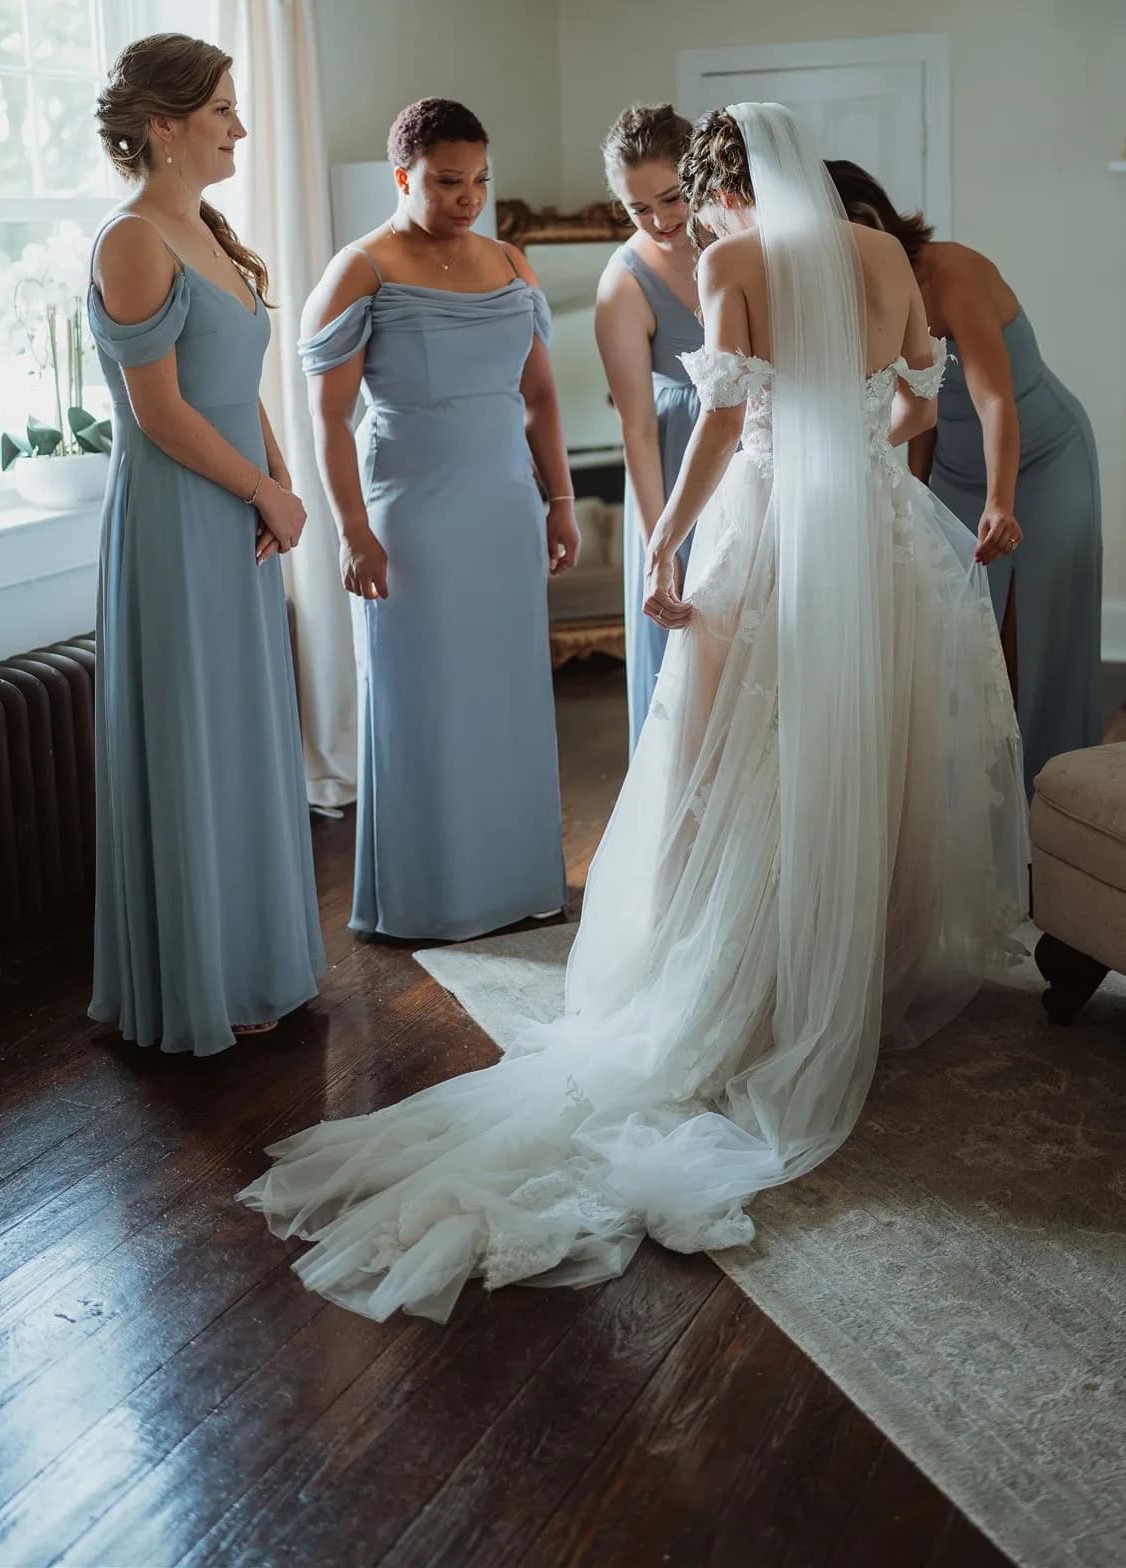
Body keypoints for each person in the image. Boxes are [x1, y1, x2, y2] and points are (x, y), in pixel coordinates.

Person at [240, 102, 1027, 1322]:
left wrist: (662, 537)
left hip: (771, 528)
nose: (684, 223)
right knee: (870, 745)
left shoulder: (732, 260)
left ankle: (754, 981)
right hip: (877, 539)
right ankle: (858, 971)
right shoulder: (878, 252)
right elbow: (922, 405)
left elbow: (718, 418)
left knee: (730, 756)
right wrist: (851, 442)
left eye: (690, 202)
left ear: (718, 191)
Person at [88, 34, 324, 1055]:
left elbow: (241, 385)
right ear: (165, 125)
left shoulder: (207, 229)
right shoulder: (132, 238)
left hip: (233, 506)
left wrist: (279, 485)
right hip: (179, 513)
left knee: (242, 728)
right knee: (199, 734)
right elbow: (160, 414)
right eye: (223, 108)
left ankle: (258, 949)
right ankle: (203, 971)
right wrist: (262, 487)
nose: (239, 125)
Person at [297, 98, 577, 942]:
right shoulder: (362, 270)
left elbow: (539, 397)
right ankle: (431, 894)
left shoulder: (510, 263)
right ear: (403, 177)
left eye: (479, 179)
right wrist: (351, 529)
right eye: (447, 180)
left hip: (502, 509)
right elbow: (327, 420)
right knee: (424, 699)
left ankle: (518, 881)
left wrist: (559, 500)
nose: (468, 196)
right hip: (411, 516)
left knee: (508, 695)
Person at [826, 160, 1102, 796]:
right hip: (954, 462)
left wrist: (1001, 503)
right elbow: (918, 406)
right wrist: (918, 495)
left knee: (1027, 633)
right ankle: (978, 807)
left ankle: (1052, 799)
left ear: (871, 221)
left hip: (1042, 457)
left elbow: (994, 403)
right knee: (957, 636)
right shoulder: (859, 291)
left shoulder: (954, 273)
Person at [595, 103, 704, 745]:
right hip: (677, 467)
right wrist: (660, 546)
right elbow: (636, 430)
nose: (660, 221)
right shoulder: (624, 284)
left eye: (670, 198)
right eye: (638, 209)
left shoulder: (745, 243)